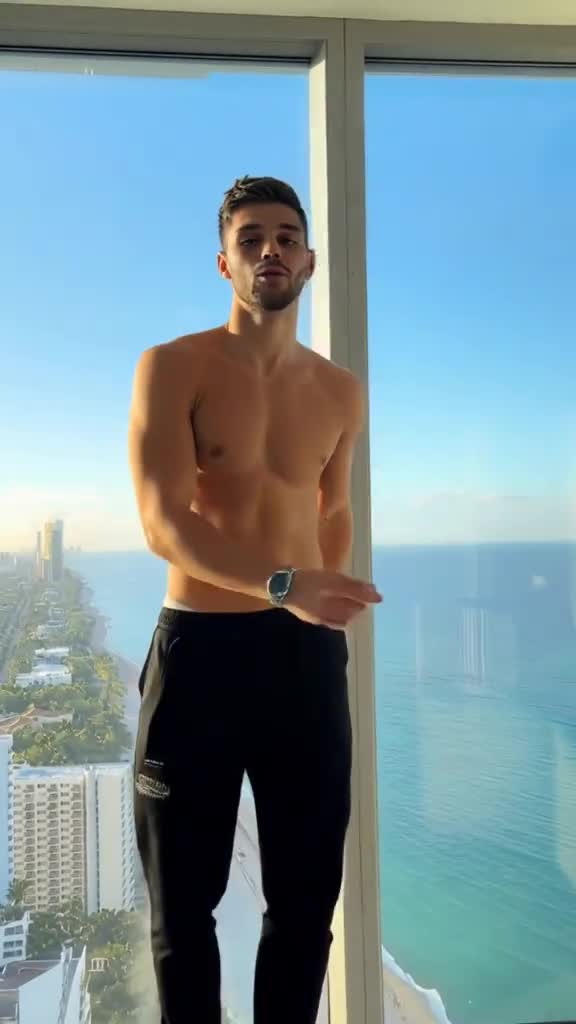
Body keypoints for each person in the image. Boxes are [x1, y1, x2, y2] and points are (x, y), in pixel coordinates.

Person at [128, 175, 382, 1024]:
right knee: (182, 913)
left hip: (303, 659)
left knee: (306, 908)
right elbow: (163, 523)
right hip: (199, 654)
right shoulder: (174, 367)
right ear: (224, 263)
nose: (270, 249)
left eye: (285, 237)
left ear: (308, 261)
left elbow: (334, 511)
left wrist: (322, 606)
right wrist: (283, 584)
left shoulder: (341, 390)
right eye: (250, 239)